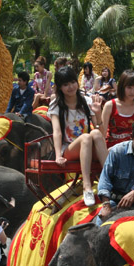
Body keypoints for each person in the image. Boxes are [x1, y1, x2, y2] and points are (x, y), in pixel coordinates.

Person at [48, 66, 108, 207]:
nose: (70, 87)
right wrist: (58, 155)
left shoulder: (87, 101)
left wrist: (98, 113)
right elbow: (56, 131)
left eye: (72, 82)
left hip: (88, 147)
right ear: (60, 87)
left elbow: (102, 133)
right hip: (69, 149)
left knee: (93, 133)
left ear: (77, 82)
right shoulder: (56, 105)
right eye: (65, 84)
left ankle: (108, 180)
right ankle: (87, 187)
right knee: (86, 137)